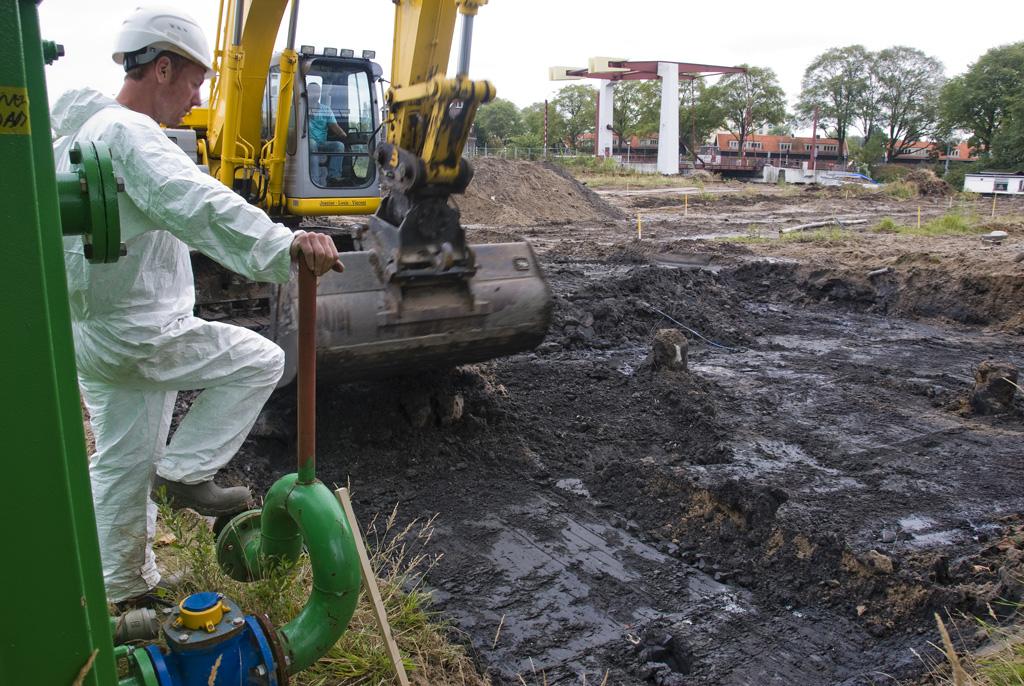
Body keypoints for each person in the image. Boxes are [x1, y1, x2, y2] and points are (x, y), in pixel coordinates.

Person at [51, 5, 342, 606]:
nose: (196, 97)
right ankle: (184, 475)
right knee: (260, 360)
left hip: (92, 331)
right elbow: (196, 201)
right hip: (137, 329)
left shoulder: (77, 133)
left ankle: (124, 588)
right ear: (161, 69)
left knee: (123, 463)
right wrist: (282, 245)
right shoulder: (130, 133)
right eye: (194, 81)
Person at [306, 81, 348, 184]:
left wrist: (344, 136)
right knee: (311, 143)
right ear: (306, 92)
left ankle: (334, 177)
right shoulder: (301, 109)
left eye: (317, 92)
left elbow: (334, 126)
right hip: (306, 144)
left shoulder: (325, 110)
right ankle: (314, 179)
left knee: (339, 146)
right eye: (312, 92)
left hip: (322, 143)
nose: (315, 94)